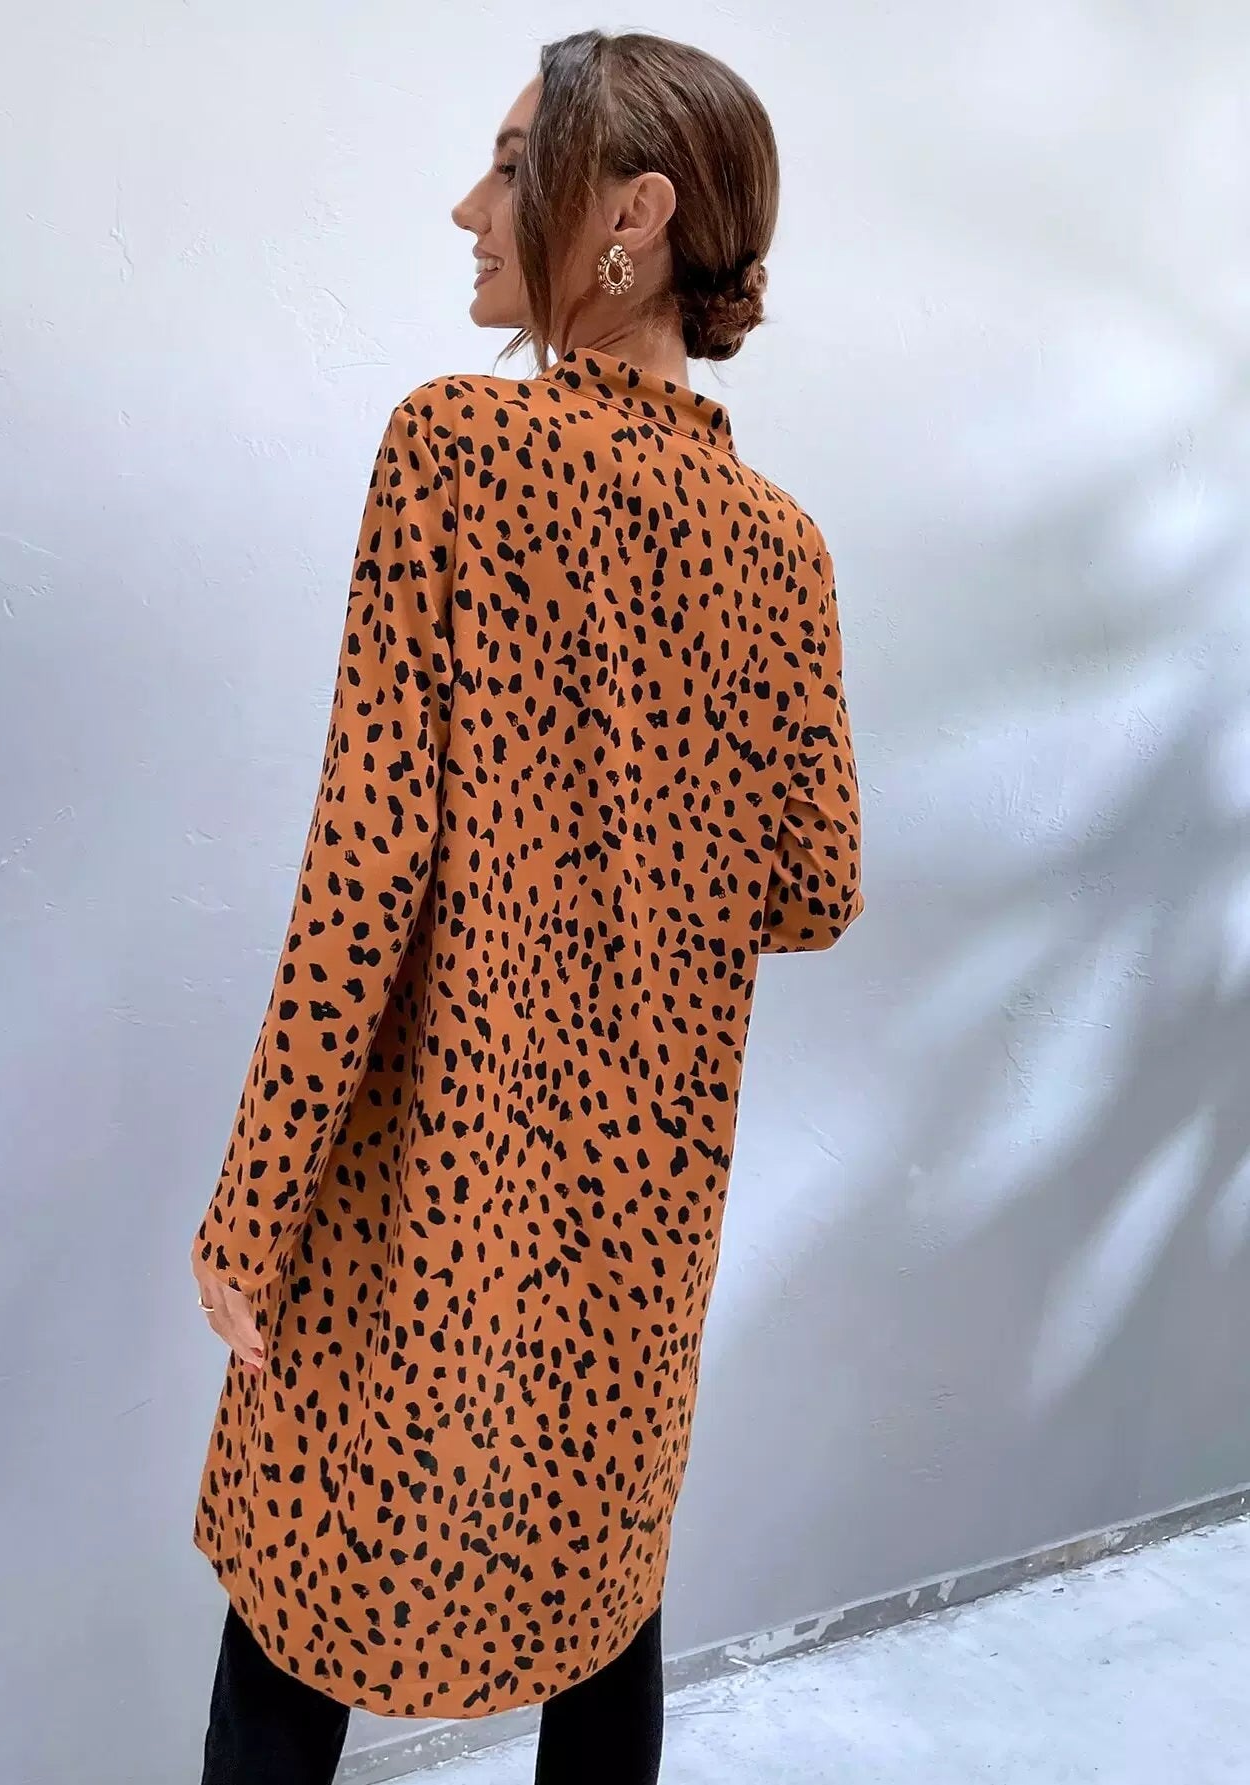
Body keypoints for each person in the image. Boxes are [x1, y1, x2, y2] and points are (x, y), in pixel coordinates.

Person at [190, 27, 863, 1785]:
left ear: (632, 214)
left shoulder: (457, 451)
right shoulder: (782, 549)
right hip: (640, 1214)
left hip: (417, 1194)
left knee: (296, 1623)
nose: (469, 209)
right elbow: (817, 888)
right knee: (604, 1598)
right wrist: (649, 862)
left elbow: (361, 879)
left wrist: (252, 1213)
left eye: (509, 166)